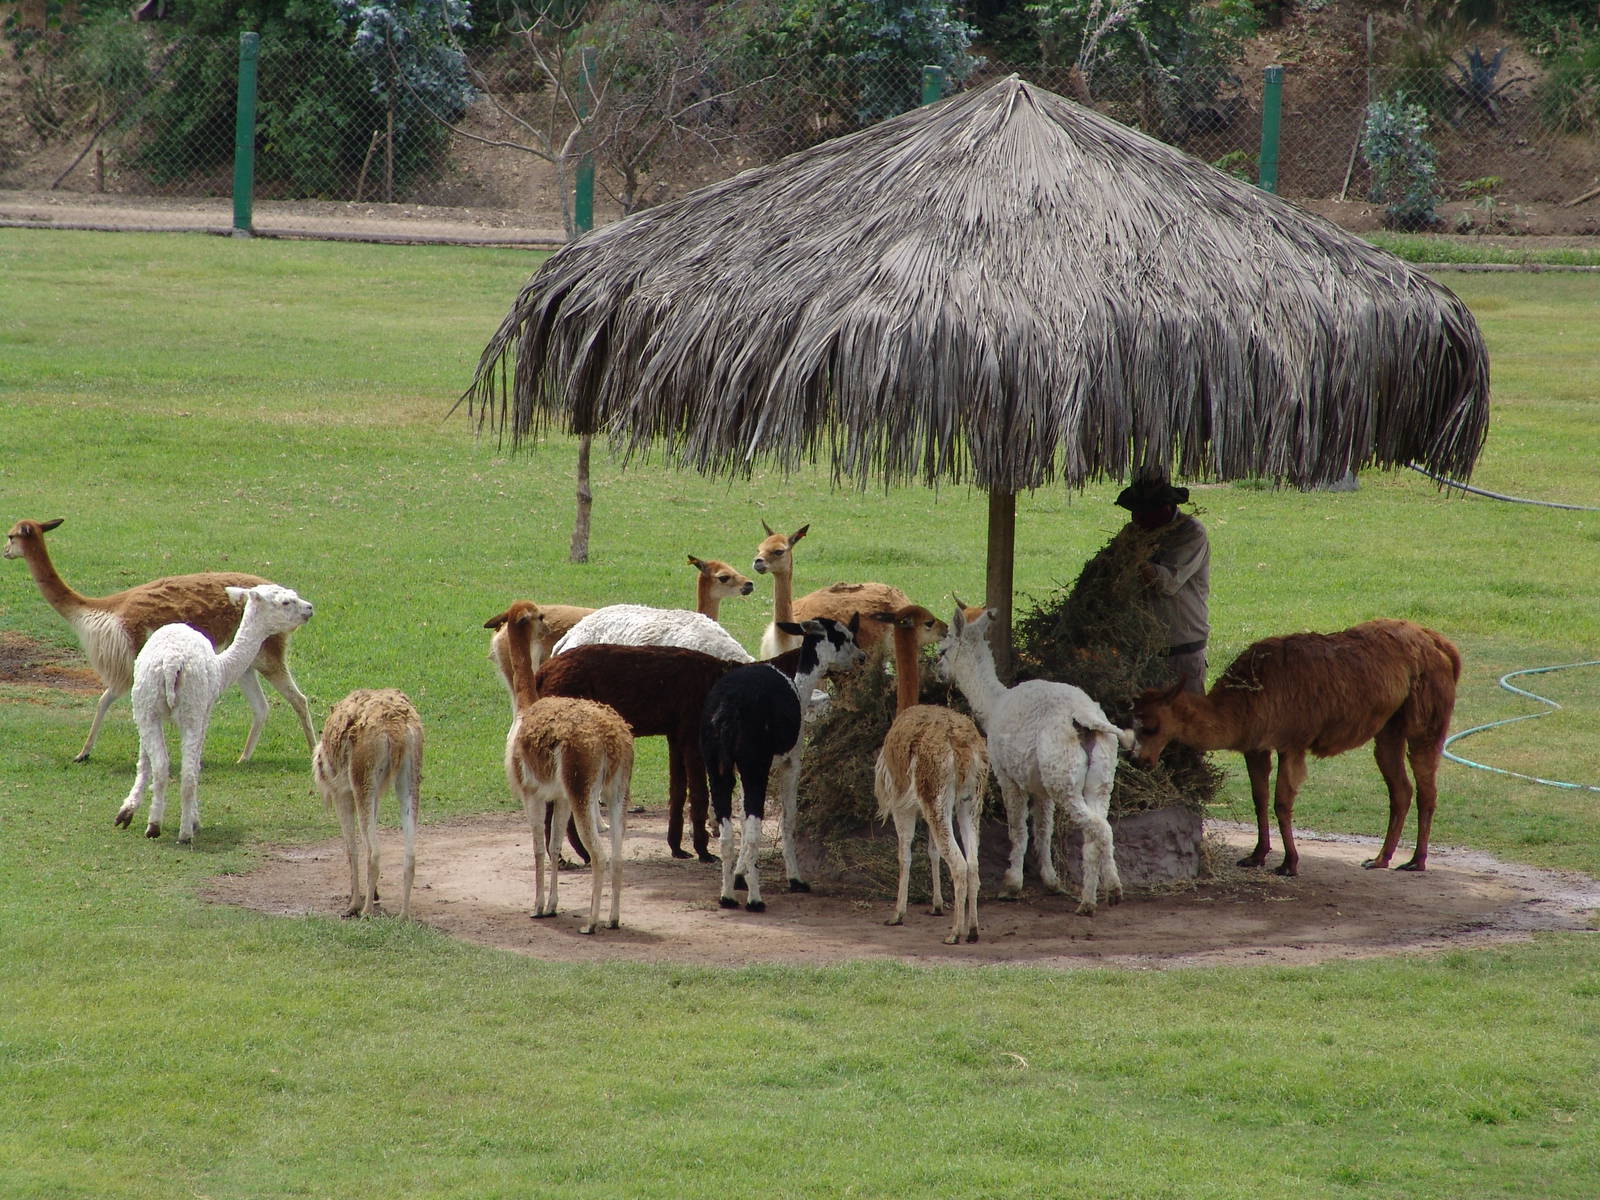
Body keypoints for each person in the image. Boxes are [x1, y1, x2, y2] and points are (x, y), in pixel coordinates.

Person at [1115, 475, 1210, 694]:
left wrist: (1134, 558)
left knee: (1187, 721)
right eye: (1134, 511)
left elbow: (1166, 583)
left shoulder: (1190, 533)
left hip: (1180, 652)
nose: (1136, 518)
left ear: (1165, 508)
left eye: (1143, 512)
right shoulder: (1133, 531)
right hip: (1141, 652)